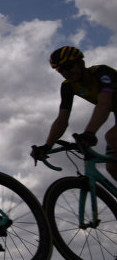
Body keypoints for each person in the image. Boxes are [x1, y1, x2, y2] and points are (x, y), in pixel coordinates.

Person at [31, 46, 117, 180]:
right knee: (113, 168)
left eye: (69, 66)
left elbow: (104, 103)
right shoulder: (68, 86)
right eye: (60, 70)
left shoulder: (101, 72)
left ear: (81, 63)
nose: (66, 72)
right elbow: (62, 119)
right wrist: (48, 145)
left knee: (112, 136)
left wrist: (89, 133)